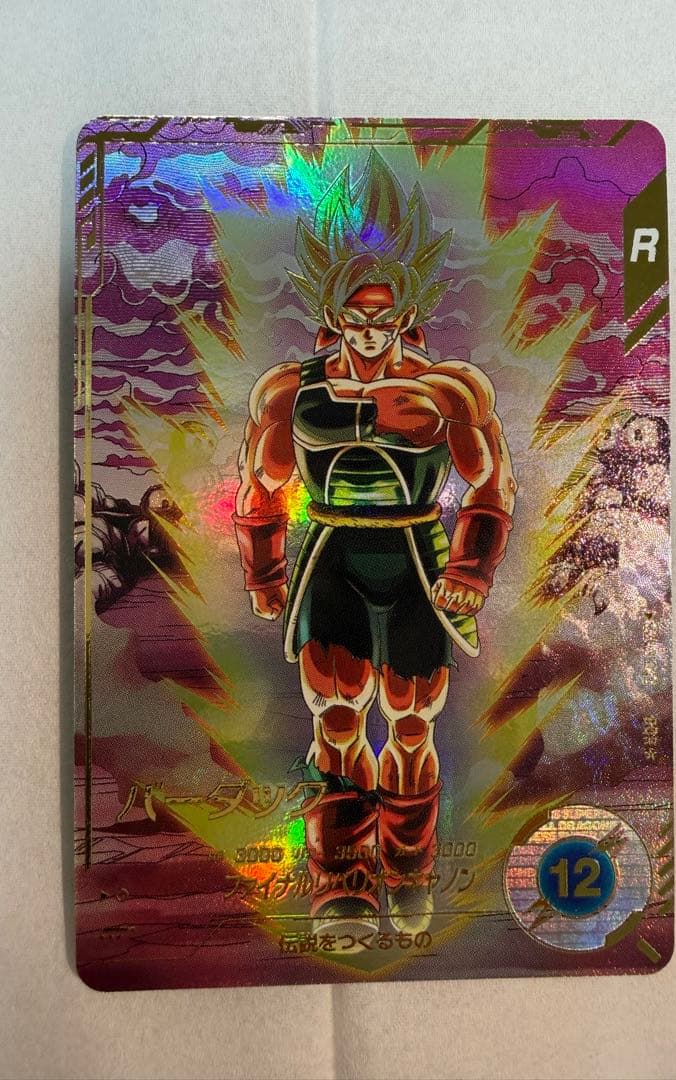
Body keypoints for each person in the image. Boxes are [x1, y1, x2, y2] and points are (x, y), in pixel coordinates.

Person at [233, 151, 516, 935]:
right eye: (355, 318)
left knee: (413, 723)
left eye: (382, 318)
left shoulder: (448, 387)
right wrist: (264, 573)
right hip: (332, 560)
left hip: (416, 560)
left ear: (405, 313)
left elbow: (491, 486)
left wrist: (471, 568)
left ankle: (410, 872)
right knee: (336, 720)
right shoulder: (291, 389)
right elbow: (259, 487)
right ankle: (342, 882)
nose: (367, 332)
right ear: (331, 312)